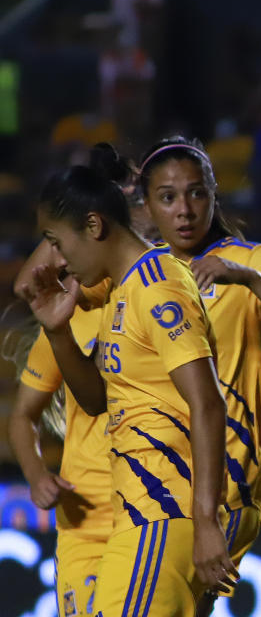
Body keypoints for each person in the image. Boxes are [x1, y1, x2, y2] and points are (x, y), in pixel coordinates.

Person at [22, 148, 237, 615]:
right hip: (136, 513)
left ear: (94, 227)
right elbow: (97, 402)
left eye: (57, 242)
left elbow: (208, 403)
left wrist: (205, 522)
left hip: (163, 510)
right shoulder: (124, 290)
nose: (56, 258)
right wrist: (58, 334)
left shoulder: (157, 284)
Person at [135, 136, 261, 614]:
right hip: (150, 474)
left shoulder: (247, 260)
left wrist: (249, 279)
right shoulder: (139, 273)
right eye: (167, 197)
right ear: (147, 206)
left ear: (213, 196)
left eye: (196, 193)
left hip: (227, 478)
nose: (184, 209)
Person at [8, 145, 138, 617]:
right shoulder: (69, 314)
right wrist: (37, 475)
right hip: (84, 516)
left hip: (148, 509)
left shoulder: (155, 299)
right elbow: (23, 416)